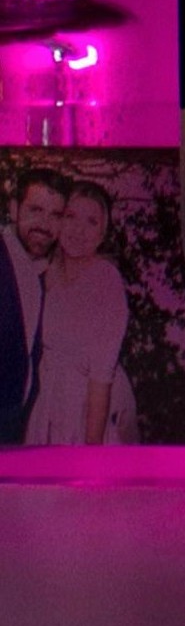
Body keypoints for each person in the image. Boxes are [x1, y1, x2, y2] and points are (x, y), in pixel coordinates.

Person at [24, 180, 131, 448]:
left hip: (85, 418)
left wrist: (90, 453)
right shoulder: (44, 275)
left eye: (91, 222)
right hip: (45, 415)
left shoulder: (106, 281)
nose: (78, 230)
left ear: (103, 233)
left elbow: (101, 379)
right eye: (71, 217)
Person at [1, 172, 66, 448]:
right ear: (14, 209)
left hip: (13, 428)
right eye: (36, 210)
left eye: (55, 215)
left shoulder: (41, 274)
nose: (44, 224)